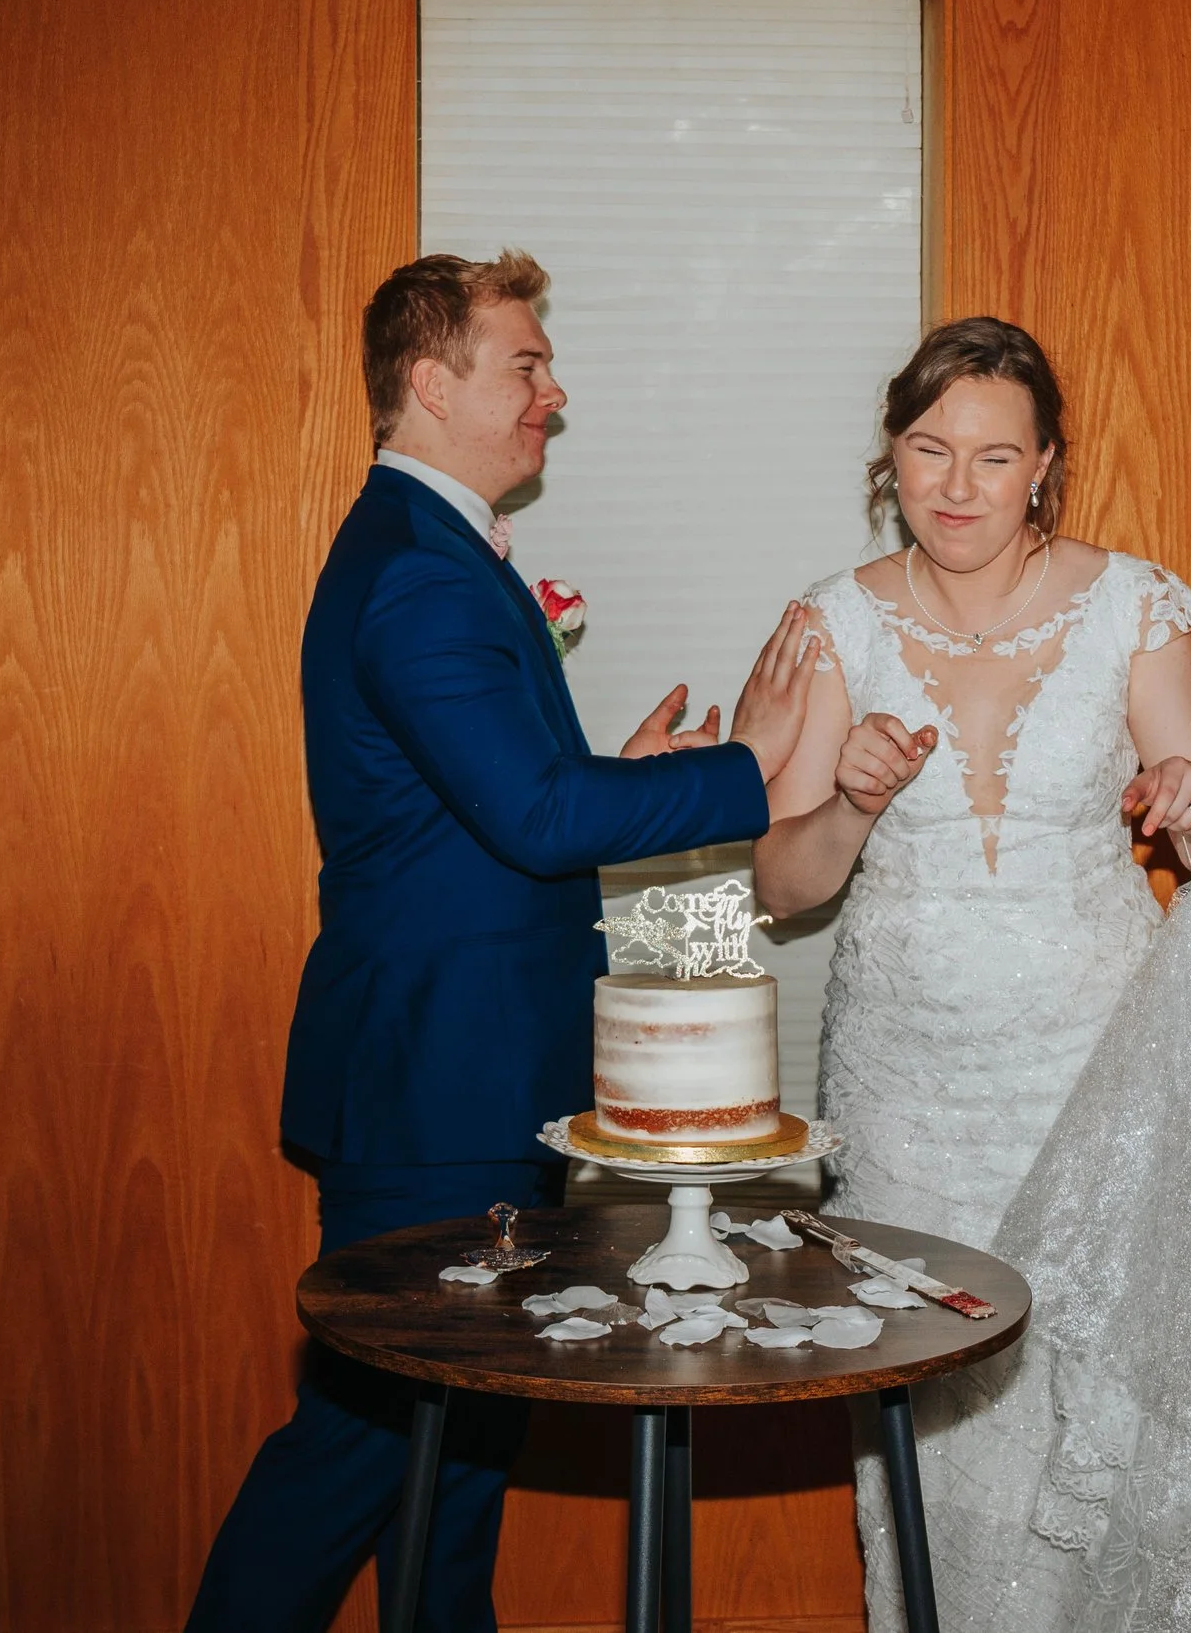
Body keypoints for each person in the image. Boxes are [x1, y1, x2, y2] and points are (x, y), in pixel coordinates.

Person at [185, 250, 821, 1633]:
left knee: (459, 1453)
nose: (554, 393)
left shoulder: (435, 553)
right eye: (525, 365)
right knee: (361, 1447)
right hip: (433, 1086)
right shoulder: (421, 572)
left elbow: (486, 811)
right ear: (432, 381)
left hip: (472, 1073)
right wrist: (754, 764)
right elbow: (534, 818)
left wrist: (620, 777)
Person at [755, 318, 1191, 1629]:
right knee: (945, 1395)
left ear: (1045, 466)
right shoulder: (834, 623)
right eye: (929, 448)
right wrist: (851, 803)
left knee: (1123, 1384)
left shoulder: (1133, 607)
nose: (957, 485)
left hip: (1102, 1072)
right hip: (909, 1096)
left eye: (995, 456)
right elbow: (785, 885)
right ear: (891, 454)